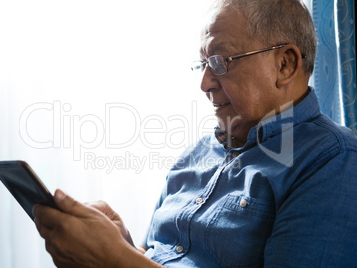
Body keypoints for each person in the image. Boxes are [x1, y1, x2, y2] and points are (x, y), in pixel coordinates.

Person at [33, 0, 357, 267]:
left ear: (285, 65)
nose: (204, 84)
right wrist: (123, 246)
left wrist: (116, 261)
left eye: (220, 61)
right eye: (202, 64)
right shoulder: (198, 153)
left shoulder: (333, 163)